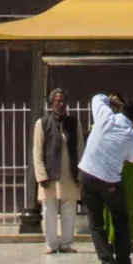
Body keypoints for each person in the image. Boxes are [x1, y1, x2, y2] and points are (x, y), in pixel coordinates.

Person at [78, 91, 133, 264]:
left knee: (95, 222)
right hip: (109, 181)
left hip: (86, 175)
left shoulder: (105, 117)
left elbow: (96, 98)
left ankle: (107, 261)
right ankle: (124, 261)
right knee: (120, 219)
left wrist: (112, 102)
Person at [32, 86, 84, 253]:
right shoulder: (42, 123)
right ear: (51, 103)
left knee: (69, 210)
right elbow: (37, 151)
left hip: (69, 174)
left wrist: (80, 173)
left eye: (63, 101)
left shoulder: (74, 124)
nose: (61, 104)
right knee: (49, 211)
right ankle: (51, 244)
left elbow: (81, 149)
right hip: (49, 175)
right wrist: (41, 175)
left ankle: (66, 244)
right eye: (58, 101)